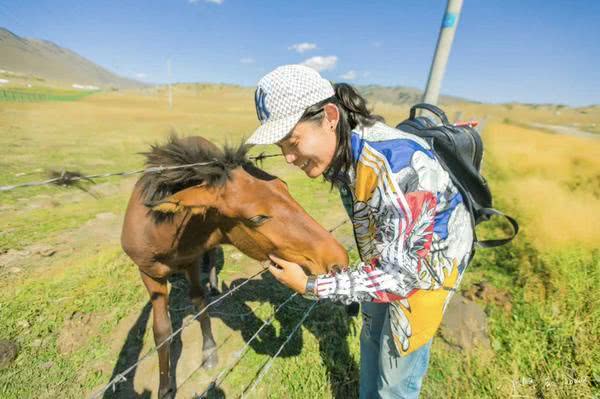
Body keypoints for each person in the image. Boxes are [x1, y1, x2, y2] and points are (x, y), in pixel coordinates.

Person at [246, 64, 474, 399]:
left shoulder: (397, 166)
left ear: (330, 116)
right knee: (372, 336)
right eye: (281, 146)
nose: (289, 157)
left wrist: (310, 285)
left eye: (292, 141)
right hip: (385, 260)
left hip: (426, 270)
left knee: (396, 370)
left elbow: (403, 277)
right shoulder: (344, 154)